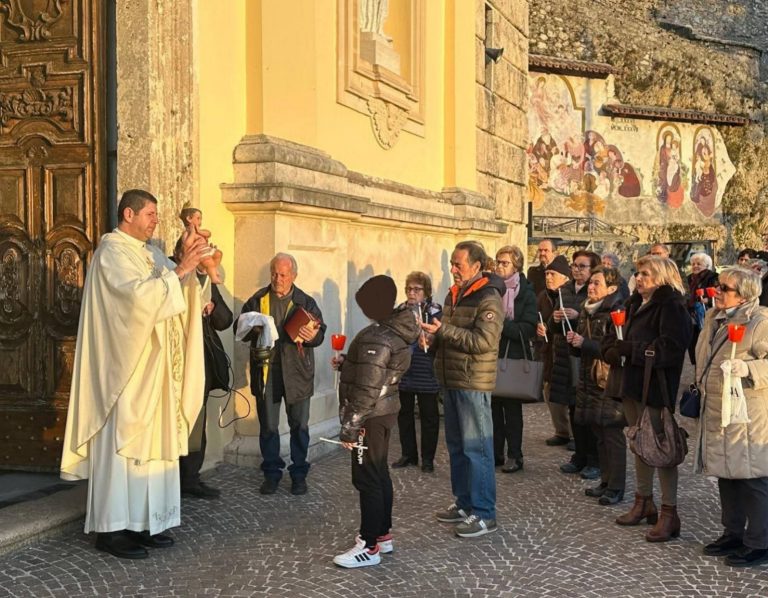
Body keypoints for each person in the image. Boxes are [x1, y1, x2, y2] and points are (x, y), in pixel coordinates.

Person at [60, 189, 209, 559]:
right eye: (150, 214)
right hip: (124, 377)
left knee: (151, 449)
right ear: (128, 213)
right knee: (124, 451)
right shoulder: (111, 254)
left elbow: (175, 288)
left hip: (155, 377)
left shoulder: (150, 254)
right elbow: (136, 302)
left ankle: (144, 523)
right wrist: (181, 270)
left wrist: (192, 268)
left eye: (157, 214)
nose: (155, 220)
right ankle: (112, 530)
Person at [331, 275, 420, 568]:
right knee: (378, 473)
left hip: (370, 415)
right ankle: (382, 535)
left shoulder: (378, 336)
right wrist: (349, 364)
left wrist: (350, 427)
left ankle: (368, 546)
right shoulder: (395, 331)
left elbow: (369, 388)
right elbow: (377, 372)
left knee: (367, 476)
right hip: (385, 410)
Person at [602, 256, 691, 542]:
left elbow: (671, 349)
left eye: (646, 274)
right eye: (637, 273)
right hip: (631, 384)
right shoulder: (632, 303)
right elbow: (613, 337)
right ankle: (643, 501)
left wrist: (632, 350)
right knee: (639, 443)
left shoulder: (671, 305)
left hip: (655, 388)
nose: (639, 278)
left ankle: (669, 512)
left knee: (661, 449)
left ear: (662, 276)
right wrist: (612, 350)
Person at [422, 241, 504, 538]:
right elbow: (450, 333)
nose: (453, 269)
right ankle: (464, 503)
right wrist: (432, 341)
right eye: (452, 264)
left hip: (472, 382)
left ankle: (484, 514)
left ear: (477, 266)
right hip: (452, 378)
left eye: (459, 264)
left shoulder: (489, 298)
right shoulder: (454, 294)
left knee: (476, 449)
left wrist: (442, 331)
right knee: (457, 447)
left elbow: (484, 342)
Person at [693, 267, 768, 566]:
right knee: (726, 472)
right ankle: (733, 532)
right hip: (718, 406)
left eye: (725, 288)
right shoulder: (714, 317)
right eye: (717, 286)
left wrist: (748, 369)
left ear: (746, 294)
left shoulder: (760, 321)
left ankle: (760, 540)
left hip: (747, 411)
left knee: (751, 477)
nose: (717, 292)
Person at [236, 253, 326, 496]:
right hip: (267, 374)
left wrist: (312, 337)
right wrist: (251, 329)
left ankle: (298, 474)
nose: (278, 279)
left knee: (300, 426)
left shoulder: (305, 302)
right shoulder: (257, 300)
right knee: (268, 427)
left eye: (283, 275)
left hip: (297, 374)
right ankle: (272, 473)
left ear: (293, 276)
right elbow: (240, 329)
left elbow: (320, 333)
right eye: (274, 274)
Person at [567, 267, 626, 505]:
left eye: (597, 284)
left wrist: (585, 343)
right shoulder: (587, 310)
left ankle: (616, 486)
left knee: (612, 434)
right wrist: (574, 342)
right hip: (589, 379)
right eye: (590, 283)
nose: (590, 287)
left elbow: (616, 349)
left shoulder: (617, 311)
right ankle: (605, 480)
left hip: (607, 381)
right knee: (599, 433)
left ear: (611, 289)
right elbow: (582, 346)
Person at [179, 272, 233, 499]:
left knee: (197, 423)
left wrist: (212, 307)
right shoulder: (172, 272)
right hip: (176, 364)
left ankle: (190, 477)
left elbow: (225, 320)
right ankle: (169, 478)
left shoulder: (206, 280)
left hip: (201, 365)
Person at [492, 245, 537, 473]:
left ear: (516, 265)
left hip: (514, 355)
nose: (500, 266)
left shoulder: (526, 292)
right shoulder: (491, 289)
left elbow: (528, 327)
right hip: (491, 355)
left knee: (511, 408)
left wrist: (501, 325)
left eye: (505, 262)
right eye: (498, 261)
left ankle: (515, 455)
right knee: (493, 407)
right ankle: (496, 453)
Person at [391, 272, 442, 473]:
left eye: (417, 289)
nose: (412, 293)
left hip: (427, 369)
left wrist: (430, 338)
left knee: (429, 416)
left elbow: (440, 336)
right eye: (409, 289)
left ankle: (427, 458)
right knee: (404, 414)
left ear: (426, 292)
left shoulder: (435, 311)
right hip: (405, 370)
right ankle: (408, 454)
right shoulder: (400, 311)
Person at [558, 250, 601, 476]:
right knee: (574, 408)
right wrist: (554, 319)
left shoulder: (596, 292)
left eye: (582, 266)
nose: (576, 269)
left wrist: (577, 316)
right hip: (569, 355)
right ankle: (580, 455)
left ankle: (595, 459)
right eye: (574, 265)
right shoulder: (564, 290)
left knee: (590, 411)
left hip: (590, 358)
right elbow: (556, 324)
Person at [536, 255, 577, 448]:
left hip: (566, 350)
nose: (548, 277)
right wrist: (539, 328)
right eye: (546, 273)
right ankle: (561, 431)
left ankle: (576, 434)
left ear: (565, 277)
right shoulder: (543, 296)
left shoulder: (570, 295)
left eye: (553, 274)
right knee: (549, 390)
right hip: (548, 350)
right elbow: (536, 318)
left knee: (571, 392)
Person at [686, 252, 719, 364]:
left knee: (705, 344)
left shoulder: (713, 277)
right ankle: (696, 372)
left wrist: (708, 300)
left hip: (706, 313)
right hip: (691, 314)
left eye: (699, 263)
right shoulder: (689, 278)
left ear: (706, 265)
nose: (695, 266)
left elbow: (718, 294)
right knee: (694, 344)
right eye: (693, 264)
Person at [178, 207, 223, 284]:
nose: (200, 221)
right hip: (201, 252)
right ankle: (213, 277)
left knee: (218, 254)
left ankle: (213, 270)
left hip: (207, 249)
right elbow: (187, 244)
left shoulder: (200, 232)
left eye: (201, 219)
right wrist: (192, 233)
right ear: (189, 219)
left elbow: (209, 234)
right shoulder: (187, 233)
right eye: (198, 218)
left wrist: (199, 231)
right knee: (209, 262)